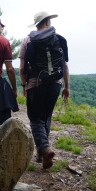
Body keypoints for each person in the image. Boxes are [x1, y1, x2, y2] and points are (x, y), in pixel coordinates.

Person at [20, 11, 70, 169]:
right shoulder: (59, 39)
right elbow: (65, 66)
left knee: (35, 120)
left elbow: (22, 68)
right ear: (48, 22)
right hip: (55, 84)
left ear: (37, 24)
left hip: (36, 84)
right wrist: (66, 87)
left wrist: (23, 85)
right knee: (46, 117)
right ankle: (42, 153)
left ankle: (45, 148)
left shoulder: (28, 40)